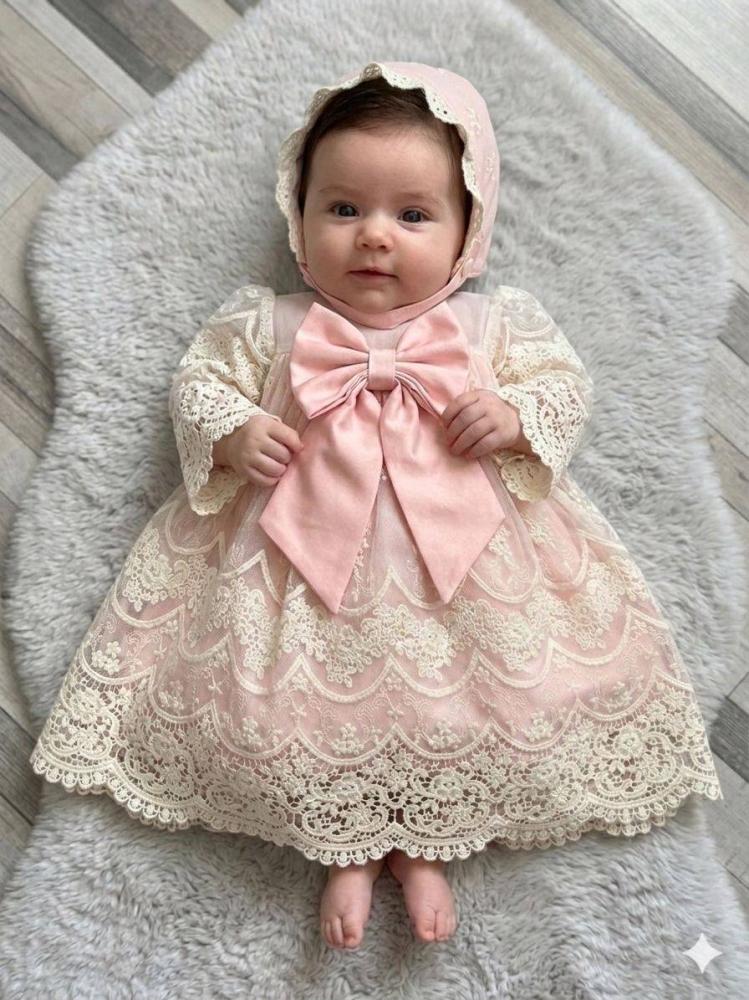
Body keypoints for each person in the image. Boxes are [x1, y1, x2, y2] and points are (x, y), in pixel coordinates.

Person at [29, 61, 723, 953]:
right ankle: (347, 850)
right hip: (291, 566)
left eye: (413, 215)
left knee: (472, 710)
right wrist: (233, 429)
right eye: (343, 208)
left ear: (469, 229)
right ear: (299, 216)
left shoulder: (490, 327)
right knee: (299, 716)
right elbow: (197, 384)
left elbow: (565, 388)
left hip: (469, 573)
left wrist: (515, 416)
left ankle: (423, 847)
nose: (374, 237)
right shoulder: (269, 324)